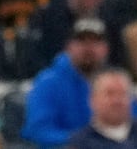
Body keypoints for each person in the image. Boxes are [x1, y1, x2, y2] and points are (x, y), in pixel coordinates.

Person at [21, 18, 112, 149]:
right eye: (82, 41)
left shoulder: (116, 83)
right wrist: (84, 142)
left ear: (106, 49)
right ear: (68, 47)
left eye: (95, 42)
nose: (89, 48)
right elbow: (38, 130)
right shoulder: (48, 82)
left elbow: (133, 122)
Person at [65, 67, 137, 149]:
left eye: (123, 93)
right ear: (93, 100)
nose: (117, 100)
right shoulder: (80, 144)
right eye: (110, 94)